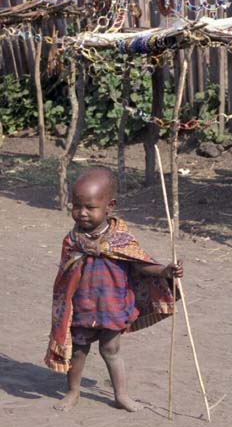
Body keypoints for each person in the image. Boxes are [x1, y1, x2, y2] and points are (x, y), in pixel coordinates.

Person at [45, 167, 183, 412]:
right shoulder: (72, 240)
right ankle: (73, 391)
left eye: (90, 207)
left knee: (111, 350)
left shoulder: (121, 239)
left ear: (110, 206)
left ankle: (121, 395)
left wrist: (165, 271)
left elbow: (142, 264)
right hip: (82, 307)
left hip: (112, 306)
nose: (82, 213)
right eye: (77, 206)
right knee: (78, 351)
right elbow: (65, 275)